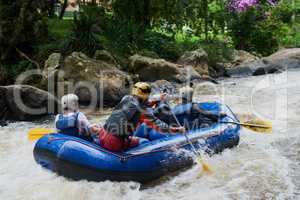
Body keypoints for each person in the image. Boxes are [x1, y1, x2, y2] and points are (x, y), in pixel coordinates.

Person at [98, 82, 185, 152]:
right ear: (145, 96)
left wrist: (158, 98)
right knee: (144, 142)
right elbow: (158, 126)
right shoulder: (142, 111)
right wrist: (177, 130)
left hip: (102, 135)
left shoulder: (126, 98)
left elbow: (141, 103)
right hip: (113, 143)